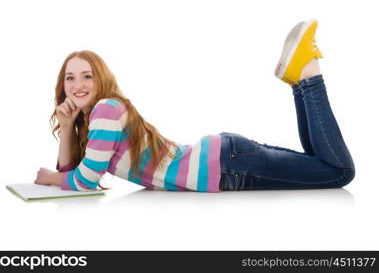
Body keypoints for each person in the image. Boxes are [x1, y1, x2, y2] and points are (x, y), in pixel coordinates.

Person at [34, 19, 355, 192]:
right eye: (70, 78)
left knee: (339, 172)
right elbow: (74, 174)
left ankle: (308, 74)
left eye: (86, 76)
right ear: (62, 85)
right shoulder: (104, 113)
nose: (78, 86)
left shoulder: (105, 110)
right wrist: (65, 128)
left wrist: (50, 178)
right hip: (226, 159)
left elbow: (81, 181)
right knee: (319, 164)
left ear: (100, 78)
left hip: (228, 166)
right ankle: (299, 82)